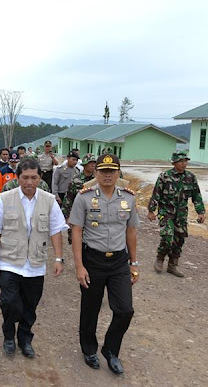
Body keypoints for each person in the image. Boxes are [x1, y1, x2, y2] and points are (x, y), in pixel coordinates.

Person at [0, 158, 68, 358]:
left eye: (34, 177)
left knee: (30, 306)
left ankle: (25, 340)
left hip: (35, 264)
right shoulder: (6, 199)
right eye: (25, 177)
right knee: (9, 302)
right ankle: (8, 335)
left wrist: (59, 258)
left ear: (40, 178)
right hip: (10, 261)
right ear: (18, 177)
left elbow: (56, 230)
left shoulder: (49, 200)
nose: (29, 182)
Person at [69, 154, 139, 375]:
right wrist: (79, 266)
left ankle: (110, 349)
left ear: (119, 173)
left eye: (112, 171)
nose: (107, 175)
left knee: (125, 310)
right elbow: (77, 231)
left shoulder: (128, 198)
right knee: (90, 309)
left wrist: (134, 263)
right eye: (103, 171)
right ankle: (89, 349)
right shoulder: (84, 197)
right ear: (96, 173)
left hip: (119, 261)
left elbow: (131, 230)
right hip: (93, 261)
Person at [147, 151, 205, 277]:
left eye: (185, 161)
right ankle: (160, 257)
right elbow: (156, 194)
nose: (184, 164)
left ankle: (172, 265)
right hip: (166, 212)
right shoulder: (164, 176)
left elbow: (197, 196)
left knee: (179, 239)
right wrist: (151, 210)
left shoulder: (190, 177)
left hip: (181, 214)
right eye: (181, 161)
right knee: (168, 237)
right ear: (174, 163)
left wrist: (200, 212)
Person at [61, 153, 96, 244]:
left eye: (94, 163)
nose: (93, 165)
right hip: (77, 214)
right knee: (76, 241)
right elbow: (68, 198)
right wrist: (66, 216)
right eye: (90, 163)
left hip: (93, 215)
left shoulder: (98, 180)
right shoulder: (75, 180)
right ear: (84, 164)